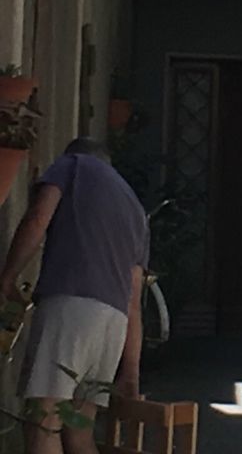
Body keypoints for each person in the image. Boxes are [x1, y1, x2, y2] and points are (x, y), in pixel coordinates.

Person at [0, 138, 148, 454]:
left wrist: (8, 276)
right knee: (79, 430)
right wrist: (131, 372)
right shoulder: (134, 208)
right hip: (113, 326)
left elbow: (38, 217)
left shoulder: (73, 165)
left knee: (44, 422)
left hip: (71, 308)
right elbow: (134, 300)